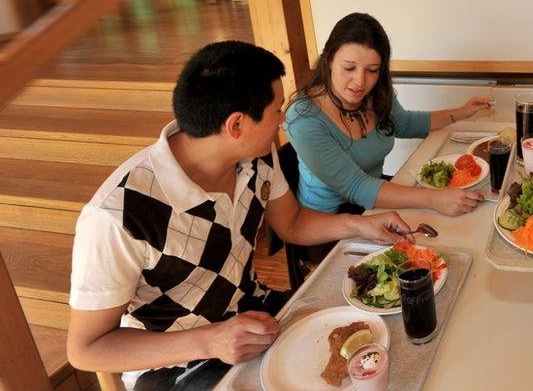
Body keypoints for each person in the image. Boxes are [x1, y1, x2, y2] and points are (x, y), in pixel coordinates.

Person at [66, 41, 412, 391]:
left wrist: (362, 224)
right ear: (236, 125)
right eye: (276, 112)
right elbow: (86, 349)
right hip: (174, 366)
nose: (282, 121)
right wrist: (210, 341)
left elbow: (291, 222)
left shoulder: (256, 156)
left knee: (379, 331)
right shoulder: (117, 215)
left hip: (255, 314)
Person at [284, 12, 491, 218]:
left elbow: (406, 123)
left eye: (372, 70)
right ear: (328, 60)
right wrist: (434, 199)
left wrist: (462, 112)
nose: (360, 81)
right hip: (327, 221)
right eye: (349, 68)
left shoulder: (376, 94)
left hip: (373, 201)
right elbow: (355, 186)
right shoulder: (303, 118)